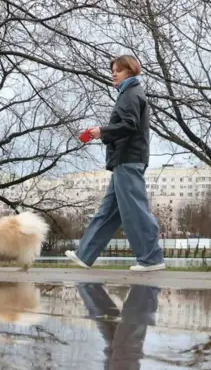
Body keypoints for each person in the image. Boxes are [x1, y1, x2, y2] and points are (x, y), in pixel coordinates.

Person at [68, 55, 165, 272]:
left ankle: (151, 259)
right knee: (109, 211)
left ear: (130, 72)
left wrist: (102, 132)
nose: (113, 74)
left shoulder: (130, 94)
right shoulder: (129, 93)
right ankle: (84, 254)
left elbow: (129, 125)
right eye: (112, 70)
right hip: (124, 160)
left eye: (118, 71)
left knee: (136, 211)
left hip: (129, 159)